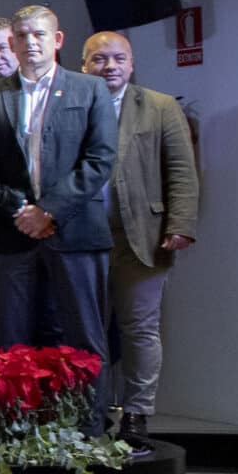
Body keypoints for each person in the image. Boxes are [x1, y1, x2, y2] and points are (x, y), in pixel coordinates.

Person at [0, 5, 118, 421]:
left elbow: (100, 159)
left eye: (39, 35)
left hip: (76, 234)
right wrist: (20, 209)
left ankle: (89, 429)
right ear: (12, 42)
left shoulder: (90, 90)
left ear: (57, 40)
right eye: (23, 36)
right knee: (12, 343)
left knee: (84, 339)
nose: (31, 43)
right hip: (8, 233)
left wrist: (49, 210)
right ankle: (18, 429)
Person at [82, 31, 200, 440]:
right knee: (88, 333)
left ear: (131, 64)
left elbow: (182, 170)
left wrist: (180, 224)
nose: (109, 66)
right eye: (100, 59)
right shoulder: (72, 104)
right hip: (82, 241)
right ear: (84, 65)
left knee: (140, 329)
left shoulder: (160, 106)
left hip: (143, 239)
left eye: (118, 59)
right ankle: (92, 412)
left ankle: (136, 413)